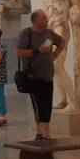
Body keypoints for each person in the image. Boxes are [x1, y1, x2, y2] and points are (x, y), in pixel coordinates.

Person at [16, 9, 66, 140]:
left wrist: (55, 54)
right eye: (44, 18)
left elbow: (62, 41)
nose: (47, 19)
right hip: (34, 77)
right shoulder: (27, 33)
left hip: (48, 75)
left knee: (47, 105)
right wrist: (38, 51)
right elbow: (19, 53)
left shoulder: (49, 33)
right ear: (35, 20)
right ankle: (45, 134)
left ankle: (40, 133)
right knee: (40, 105)